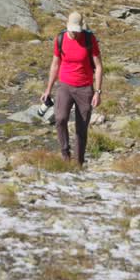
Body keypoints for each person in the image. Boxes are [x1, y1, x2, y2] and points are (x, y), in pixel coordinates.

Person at [40, 11, 103, 166]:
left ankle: (79, 163)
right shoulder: (60, 39)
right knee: (60, 119)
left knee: (81, 128)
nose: (74, 33)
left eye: (77, 30)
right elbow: (55, 65)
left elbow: (99, 67)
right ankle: (65, 155)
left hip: (84, 88)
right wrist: (48, 89)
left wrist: (97, 92)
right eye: (72, 30)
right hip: (65, 86)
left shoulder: (89, 39)